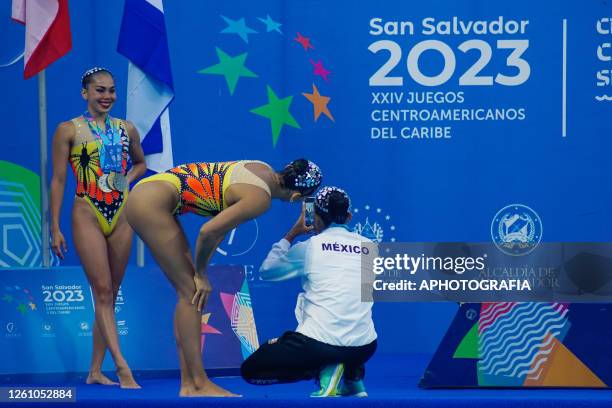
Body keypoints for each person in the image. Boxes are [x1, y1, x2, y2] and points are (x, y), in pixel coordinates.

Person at [125, 158, 322, 397]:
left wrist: (200, 271)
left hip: (153, 191)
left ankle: (189, 383)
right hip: (150, 202)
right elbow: (208, 231)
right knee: (192, 293)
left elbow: (218, 229)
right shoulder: (260, 199)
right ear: (295, 197)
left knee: (189, 294)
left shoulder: (261, 167)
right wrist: (201, 274)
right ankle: (198, 384)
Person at [50, 67, 146, 388]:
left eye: (111, 91)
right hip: (87, 210)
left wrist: (126, 180)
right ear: (85, 93)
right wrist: (54, 228)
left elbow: (140, 163)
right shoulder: (68, 130)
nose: (106, 97)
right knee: (102, 291)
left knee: (111, 294)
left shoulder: (126, 129)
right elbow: (59, 179)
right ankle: (121, 366)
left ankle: (94, 371)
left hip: (122, 213)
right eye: (99, 90)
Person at [241, 186, 378, 397]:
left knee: (251, 369)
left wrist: (292, 233)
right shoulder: (370, 247)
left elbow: (267, 271)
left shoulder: (311, 246)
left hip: (319, 346)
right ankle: (353, 378)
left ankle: (325, 367)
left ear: (315, 218)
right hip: (365, 347)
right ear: (349, 216)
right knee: (345, 314)